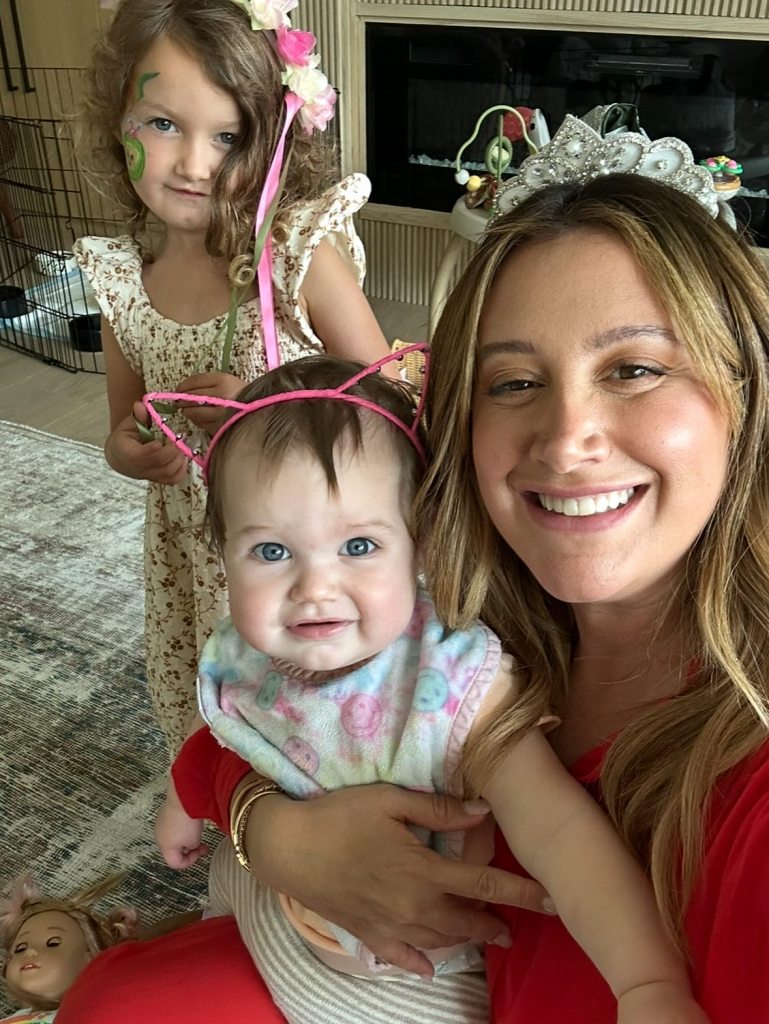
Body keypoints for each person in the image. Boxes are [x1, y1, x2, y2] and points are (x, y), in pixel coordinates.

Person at [55, 116, 769, 1023]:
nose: (565, 438)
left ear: (744, 391)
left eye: (633, 368)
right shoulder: (454, 604)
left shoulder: (741, 790)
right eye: (512, 382)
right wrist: (268, 830)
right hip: (303, 949)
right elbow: (271, 706)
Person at [147, 350, 707, 1024]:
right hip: (273, 901)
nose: (313, 587)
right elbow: (228, 728)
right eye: (270, 551)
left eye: (357, 546)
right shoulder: (244, 652)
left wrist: (646, 984)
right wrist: (187, 805)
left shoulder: (450, 684)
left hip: (403, 984)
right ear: (223, 553)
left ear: (420, 547)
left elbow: (560, 833)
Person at [72, 0, 391, 752]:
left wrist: (261, 411)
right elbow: (123, 425)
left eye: (226, 137)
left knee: (309, 712)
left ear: (277, 140)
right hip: (193, 554)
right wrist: (129, 450)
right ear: (116, 122)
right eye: (161, 124)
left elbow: (392, 403)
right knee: (216, 703)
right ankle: (223, 783)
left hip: (302, 555)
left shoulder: (297, 261)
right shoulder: (123, 278)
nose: (193, 163)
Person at [0, 875, 137, 1022]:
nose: (29, 951)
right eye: (20, 948)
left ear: (91, 960)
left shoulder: (97, 1010)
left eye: (52, 944)